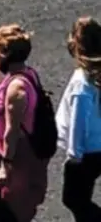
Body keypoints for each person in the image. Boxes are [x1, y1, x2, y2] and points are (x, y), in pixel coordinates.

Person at [0, 24, 49, 222]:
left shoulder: (17, 89)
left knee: (10, 212)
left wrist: (5, 167)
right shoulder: (19, 76)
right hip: (8, 156)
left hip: (16, 158)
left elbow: (12, 130)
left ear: (6, 54)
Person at [58, 17, 101, 221]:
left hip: (86, 153)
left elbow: (78, 122)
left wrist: (74, 155)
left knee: (74, 199)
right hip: (98, 147)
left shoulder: (81, 83)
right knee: (80, 198)